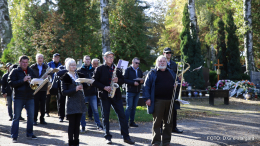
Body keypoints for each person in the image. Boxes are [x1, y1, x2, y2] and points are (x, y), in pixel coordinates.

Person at [92, 51, 135, 145]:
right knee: (105, 116)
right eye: (109, 57)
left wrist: (118, 80)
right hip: (104, 95)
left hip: (116, 95)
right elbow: (94, 81)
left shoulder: (117, 69)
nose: (111, 59)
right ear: (104, 58)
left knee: (122, 116)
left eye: (112, 57)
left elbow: (123, 80)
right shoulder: (99, 68)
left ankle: (126, 137)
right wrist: (104, 87)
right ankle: (107, 137)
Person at [144, 55, 179, 146]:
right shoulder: (152, 73)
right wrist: (147, 98)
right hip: (157, 101)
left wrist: (176, 85)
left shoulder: (171, 72)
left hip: (170, 101)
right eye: (160, 61)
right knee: (157, 122)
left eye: (163, 61)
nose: (162, 63)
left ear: (166, 62)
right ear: (157, 63)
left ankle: (166, 142)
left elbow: (176, 83)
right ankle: (156, 142)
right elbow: (146, 86)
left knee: (168, 122)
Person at [8, 55, 37, 143]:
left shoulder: (31, 70)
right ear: (19, 62)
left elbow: (34, 82)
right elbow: (10, 83)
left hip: (30, 97)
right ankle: (14, 136)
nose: (25, 64)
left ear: (28, 63)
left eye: (26, 62)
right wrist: (23, 80)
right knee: (16, 117)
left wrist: (34, 83)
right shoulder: (15, 71)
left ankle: (30, 134)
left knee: (31, 117)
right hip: (19, 97)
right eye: (23, 62)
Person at [60, 58, 88, 146]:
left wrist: (86, 85)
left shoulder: (79, 75)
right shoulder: (65, 77)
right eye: (72, 65)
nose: (74, 66)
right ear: (68, 66)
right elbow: (64, 92)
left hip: (80, 102)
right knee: (72, 125)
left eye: (75, 64)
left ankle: (76, 142)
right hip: (71, 103)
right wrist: (75, 89)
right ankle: (70, 143)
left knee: (77, 125)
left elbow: (85, 86)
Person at [78, 55, 103, 133]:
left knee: (95, 110)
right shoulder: (79, 70)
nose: (87, 61)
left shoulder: (94, 69)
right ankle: (83, 126)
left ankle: (98, 125)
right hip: (84, 93)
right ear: (83, 60)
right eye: (86, 59)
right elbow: (77, 81)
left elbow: (98, 81)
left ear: (90, 61)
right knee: (83, 111)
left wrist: (94, 83)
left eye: (89, 59)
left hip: (93, 93)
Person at [163, 47, 183, 133]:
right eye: (167, 53)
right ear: (163, 53)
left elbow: (176, 76)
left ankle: (174, 127)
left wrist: (179, 79)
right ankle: (161, 128)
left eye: (170, 53)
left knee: (174, 109)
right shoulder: (161, 62)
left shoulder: (174, 64)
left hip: (173, 89)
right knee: (163, 109)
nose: (169, 54)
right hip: (164, 88)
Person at [124, 57, 144, 127]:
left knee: (134, 107)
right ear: (132, 62)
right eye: (136, 63)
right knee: (129, 107)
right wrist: (133, 83)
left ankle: (132, 122)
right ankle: (125, 123)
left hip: (137, 91)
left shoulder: (139, 70)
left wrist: (142, 81)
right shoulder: (128, 70)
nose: (137, 64)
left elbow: (141, 79)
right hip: (130, 91)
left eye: (138, 63)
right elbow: (124, 80)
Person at [30, 53, 48, 125]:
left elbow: (50, 75)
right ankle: (34, 119)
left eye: (41, 58)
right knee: (35, 104)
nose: (40, 59)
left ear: (43, 59)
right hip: (35, 88)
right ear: (36, 59)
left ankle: (42, 119)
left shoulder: (46, 67)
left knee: (43, 104)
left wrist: (47, 76)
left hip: (43, 88)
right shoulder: (32, 67)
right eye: (39, 58)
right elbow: (30, 76)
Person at [55, 58, 72, 122]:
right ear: (65, 63)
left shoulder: (73, 68)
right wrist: (67, 70)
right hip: (61, 88)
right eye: (68, 62)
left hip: (70, 88)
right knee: (61, 102)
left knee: (69, 103)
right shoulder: (61, 67)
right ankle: (61, 116)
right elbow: (58, 73)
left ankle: (68, 116)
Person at [46, 53, 62, 117]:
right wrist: (52, 71)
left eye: (58, 57)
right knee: (48, 98)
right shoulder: (49, 64)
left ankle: (59, 113)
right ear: (53, 58)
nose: (57, 58)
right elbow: (47, 72)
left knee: (59, 98)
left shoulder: (60, 65)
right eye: (56, 57)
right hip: (50, 83)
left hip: (57, 83)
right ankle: (46, 112)